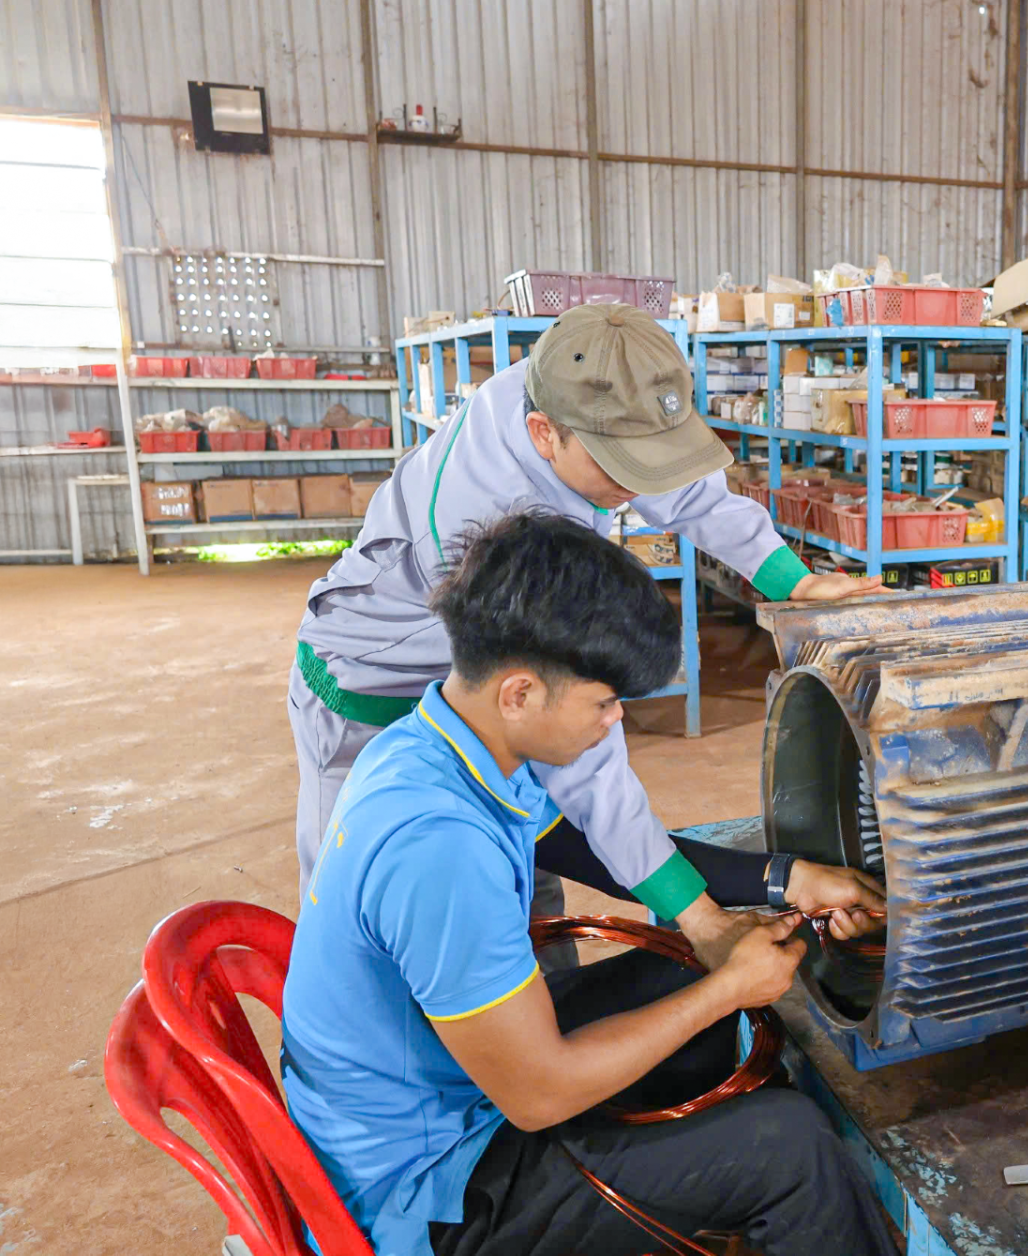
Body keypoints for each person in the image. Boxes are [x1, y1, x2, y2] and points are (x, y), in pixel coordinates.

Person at [283, 512, 897, 1256]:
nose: (614, 724)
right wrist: (729, 988)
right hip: (432, 1185)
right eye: (605, 702)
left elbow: (592, 850)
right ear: (520, 692)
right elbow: (539, 1096)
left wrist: (784, 880)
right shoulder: (438, 847)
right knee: (791, 1148)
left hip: (434, 1074)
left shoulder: (438, 746)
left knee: (683, 978)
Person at [289, 304, 881, 947]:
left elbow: (683, 490)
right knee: (368, 909)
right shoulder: (490, 525)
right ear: (544, 433)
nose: (636, 486)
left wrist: (793, 582)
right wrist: (700, 919)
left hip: (481, 691)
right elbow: (590, 773)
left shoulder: (577, 387)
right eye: (618, 467)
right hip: (369, 695)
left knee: (524, 868)